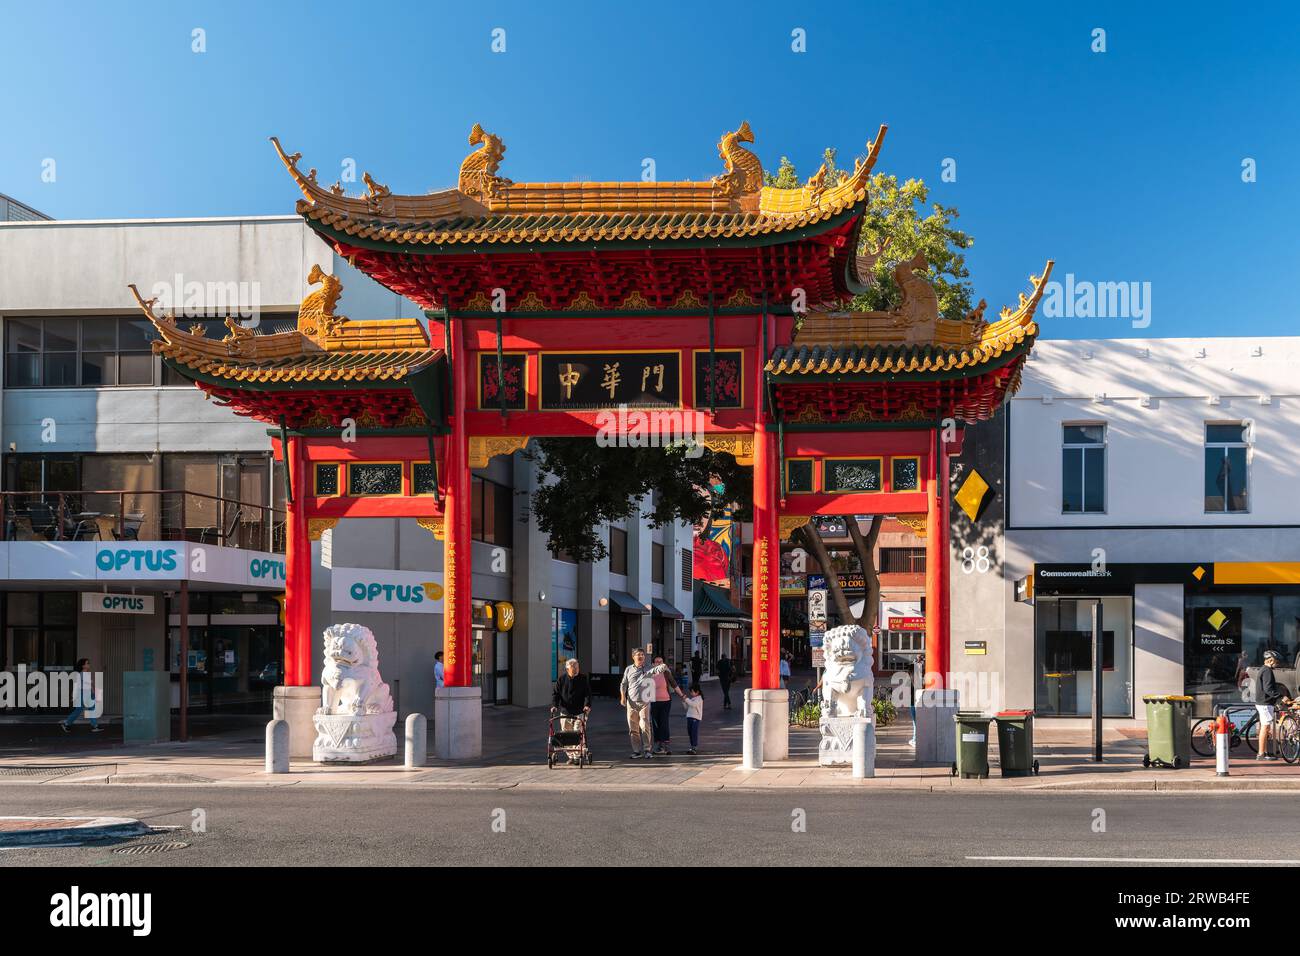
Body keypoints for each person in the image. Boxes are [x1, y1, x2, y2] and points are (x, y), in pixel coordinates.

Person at [551, 658, 593, 765]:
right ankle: (571, 756)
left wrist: (587, 705)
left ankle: (577, 756)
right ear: (567, 668)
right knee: (566, 735)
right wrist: (555, 706)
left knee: (577, 733)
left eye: (577, 667)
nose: (576, 669)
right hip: (565, 712)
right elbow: (556, 694)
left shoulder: (583, 679)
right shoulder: (561, 679)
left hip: (579, 712)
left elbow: (588, 694)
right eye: (573, 667)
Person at [620, 648, 656, 758]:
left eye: (642, 655)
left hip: (644, 702)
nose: (640, 656)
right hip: (631, 702)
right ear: (633, 657)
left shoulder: (649, 668)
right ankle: (636, 751)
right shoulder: (628, 669)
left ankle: (647, 750)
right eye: (638, 655)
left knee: (645, 725)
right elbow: (623, 684)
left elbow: (656, 673)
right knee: (633, 727)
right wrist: (622, 697)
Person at [648, 655, 686, 755]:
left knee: (664, 723)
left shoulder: (666, 673)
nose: (659, 663)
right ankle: (658, 744)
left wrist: (682, 695)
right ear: (653, 664)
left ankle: (666, 744)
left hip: (666, 702)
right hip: (654, 702)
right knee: (655, 724)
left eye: (661, 662)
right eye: (657, 661)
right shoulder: (649, 674)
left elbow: (674, 684)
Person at [1256, 649, 1288, 760]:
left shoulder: (1263, 670)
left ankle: (1264, 752)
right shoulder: (1267, 671)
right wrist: (1280, 697)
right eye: (1276, 662)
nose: (1277, 664)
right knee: (1265, 727)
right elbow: (1268, 689)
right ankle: (1261, 753)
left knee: (1265, 727)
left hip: (1263, 703)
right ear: (1270, 660)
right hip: (1265, 703)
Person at [60, 659, 102, 734]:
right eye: (87, 663)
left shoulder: (84, 674)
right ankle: (94, 726)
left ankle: (67, 724)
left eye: (89, 663)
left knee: (80, 710)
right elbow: (88, 685)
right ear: (83, 666)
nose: (89, 664)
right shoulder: (83, 674)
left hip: (84, 693)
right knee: (89, 709)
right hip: (84, 693)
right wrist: (93, 692)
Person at [683, 685, 704, 755]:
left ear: (697, 692)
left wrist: (686, 699)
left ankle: (694, 747)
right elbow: (687, 707)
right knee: (690, 732)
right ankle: (692, 746)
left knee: (693, 732)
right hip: (689, 717)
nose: (691, 693)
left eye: (692, 692)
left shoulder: (699, 699)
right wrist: (684, 702)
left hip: (695, 718)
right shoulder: (692, 699)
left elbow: (693, 705)